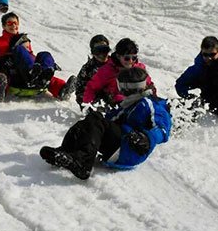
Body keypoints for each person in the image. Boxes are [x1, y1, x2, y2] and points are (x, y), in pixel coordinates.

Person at [40, 67, 172, 180]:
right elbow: (109, 121)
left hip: (131, 150)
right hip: (121, 145)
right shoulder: (128, 104)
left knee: (96, 121)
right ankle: (66, 152)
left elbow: (162, 130)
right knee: (90, 120)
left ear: (129, 88)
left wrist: (147, 139)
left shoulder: (149, 103)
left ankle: (83, 163)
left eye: (121, 87)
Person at [0, 12, 76, 102]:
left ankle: (62, 89)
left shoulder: (23, 39)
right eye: (9, 23)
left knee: (44, 55)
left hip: (28, 70)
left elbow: (30, 56)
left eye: (15, 23)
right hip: (10, 71)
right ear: (4, 26)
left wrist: (40, 64)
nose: (13, 25)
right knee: (2, 77)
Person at [81, 38, 155, 108]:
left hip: (138, 103)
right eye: (127, 58)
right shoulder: (107, 70)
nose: (131, 61)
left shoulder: (139, 69)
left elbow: (149, 85)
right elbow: (92, 87)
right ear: (118, 56)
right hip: (115, 105)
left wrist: (154, 100)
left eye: (134, 58)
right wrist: (87, 104)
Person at [175, 36, 218, 100]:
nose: (209, 58)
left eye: (212, 55)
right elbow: (180, 85)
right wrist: (191, 98)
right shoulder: (198, 68)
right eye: (205, 55)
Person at [75, 34, 111, 106]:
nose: (102, 54)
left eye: (104, 50)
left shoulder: (116, 63)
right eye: (97, 51)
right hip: (97, 104)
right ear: (92, 53)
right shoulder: (87, 69)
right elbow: (80, 93)